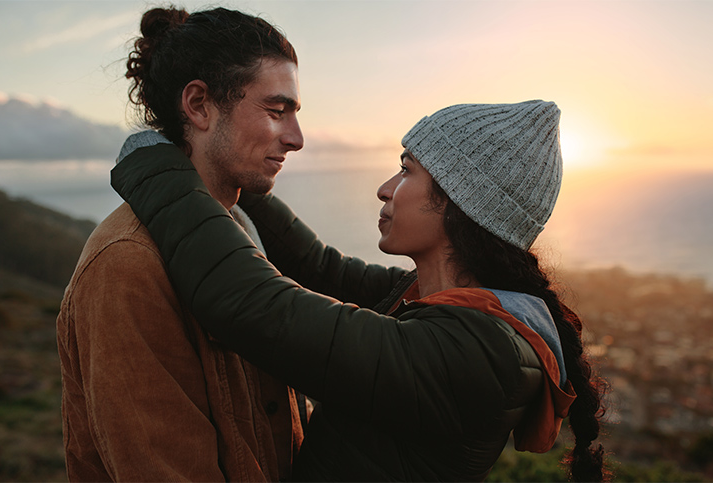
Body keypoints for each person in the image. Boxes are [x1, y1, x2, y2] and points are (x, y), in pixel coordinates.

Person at [111, 101, 607, 481]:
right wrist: (234, 175)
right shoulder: (428, 302)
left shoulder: (477, 356)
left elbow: (254, 304)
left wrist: (156, 167)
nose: (386, 187)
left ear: (459, 204)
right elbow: (315, 268)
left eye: (408, 170)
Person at [56, 6, 306, 481]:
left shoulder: (240, 236)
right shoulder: (127, 265)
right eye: (277, 111)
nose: (295, 138)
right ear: (198, 105)